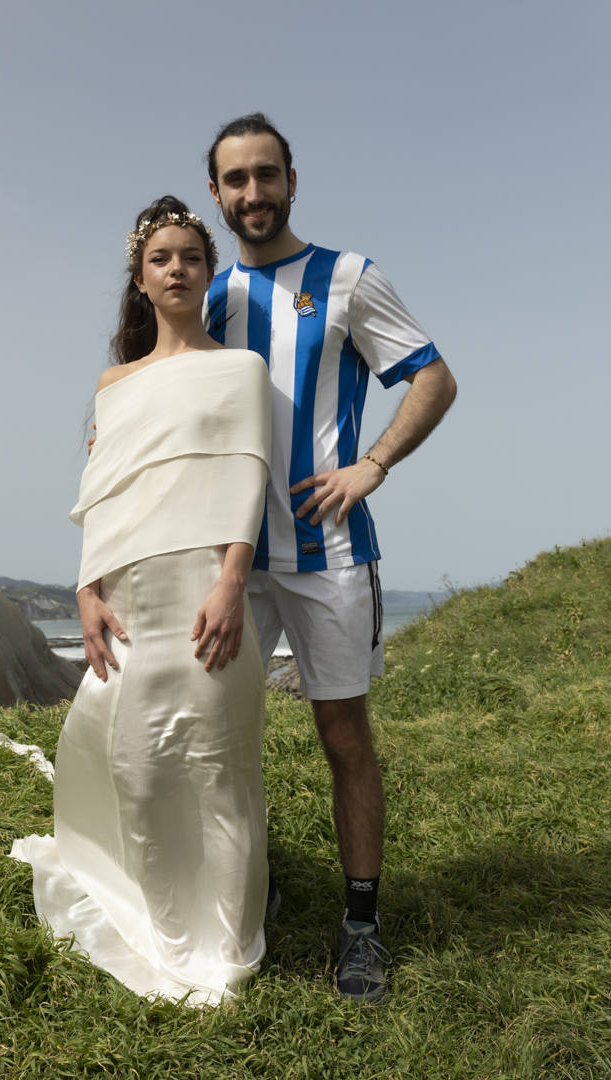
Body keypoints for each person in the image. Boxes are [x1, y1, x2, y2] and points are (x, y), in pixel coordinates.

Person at [203, 113, 458, 1004]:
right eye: (236, 180)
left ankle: (359, 926)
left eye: (266, 175)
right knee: (222, 737)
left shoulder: (348, 278)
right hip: (230, 559)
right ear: (216, 194)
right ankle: (248, 884)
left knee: (343, 736)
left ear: (292, 180)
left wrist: (374, 463)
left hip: (330, 552)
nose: (252, 194)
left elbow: (433, 376)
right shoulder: (209, 294)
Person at [11, 195, 272, 1006]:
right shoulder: (114, 383)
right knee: (143, 772)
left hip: (207, 589)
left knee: (220, 772)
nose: (177, 270)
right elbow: (103, 494)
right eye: (162, 258)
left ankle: (225, 951)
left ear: (208, 271)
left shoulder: (241, 369)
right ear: (141, 277)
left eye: (191, 257)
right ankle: (166, 937)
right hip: (128, 595)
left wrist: (232, 581)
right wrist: (86, 593)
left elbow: (247, 474)